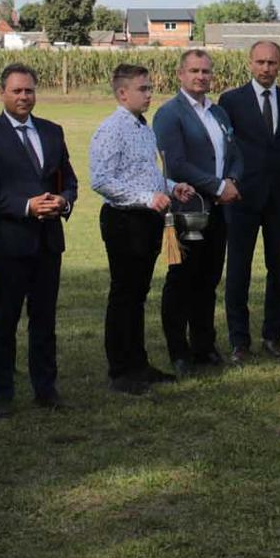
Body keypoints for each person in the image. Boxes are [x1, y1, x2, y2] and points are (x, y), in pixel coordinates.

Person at [0, 64, 77, 417]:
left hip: (48, 243)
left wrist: (64, 201)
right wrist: (25, 206)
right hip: (9, 243)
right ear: (2, 93)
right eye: (16, 91)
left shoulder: (52, 131)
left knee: (44, 320)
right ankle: (3, 394)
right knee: (5, 320)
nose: (23, 97)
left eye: (29, 90)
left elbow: (69, 180)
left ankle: (46, 389)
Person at [89, 65, 194, 394]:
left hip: (147, 217)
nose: (150, 94)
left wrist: (172, 187)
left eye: (150, 88)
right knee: (124, 295)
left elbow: (145, 173)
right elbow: (102, 180)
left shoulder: (143, 127)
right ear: (122, 93)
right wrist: (147, 198)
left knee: (138, 295)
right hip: (125, 221)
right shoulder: (112, 129)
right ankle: (120, 371)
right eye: (143, 89)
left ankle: (138, 363)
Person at [154, 49, 241, 376]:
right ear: (180, 74)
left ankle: (204, 345)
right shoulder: (169, 114)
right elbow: (175, 163)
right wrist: (217, 186)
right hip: (188, 208)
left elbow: (235, 152)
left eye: (206, 71)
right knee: (182, 280)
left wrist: (231, 181)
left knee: (209, 278)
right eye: (194, 71)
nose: (200, 76)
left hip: (219, 210)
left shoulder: (218, 112)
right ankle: (179, 351)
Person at [217, 41, 280, 359]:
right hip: (242, 197)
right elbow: (224, 149)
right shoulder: (232, 101)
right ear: (250, 63)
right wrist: (228, 184)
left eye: (272, 63)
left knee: (277, 269)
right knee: (238, 269)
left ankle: (273, 335)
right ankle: (239, 340)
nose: (266, 68)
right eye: (260, 62)